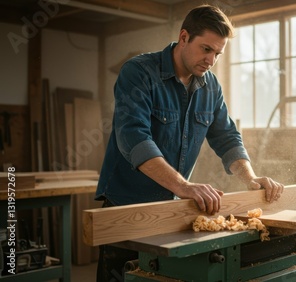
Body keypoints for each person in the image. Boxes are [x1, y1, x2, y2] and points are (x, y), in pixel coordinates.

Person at [95, 4, 284, 281]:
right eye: (206, 49)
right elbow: (132, 137)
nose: (211, 61)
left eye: (218, 53)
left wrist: (251, 179)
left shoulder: (211, 86)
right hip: (127, 207)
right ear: (184, 37)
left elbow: (226, 137)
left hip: (174, 209)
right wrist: (184, 186)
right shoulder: (138, 72)